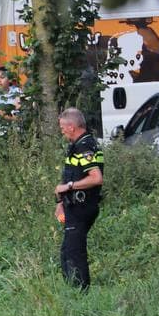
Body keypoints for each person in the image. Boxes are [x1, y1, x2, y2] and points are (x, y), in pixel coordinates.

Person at [54, 107, 103, 290]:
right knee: (67, 250)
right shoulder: (77, 145)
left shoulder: (85, 146)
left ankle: (81, 292)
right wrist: (60, 202)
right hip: (72, 205)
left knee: (74, 252)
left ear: (72, 127)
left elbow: (96, 178)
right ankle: (72, 290)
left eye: (62, 127)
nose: (62, 131)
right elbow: (71, 175)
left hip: (82, 206)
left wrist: (69, 187)